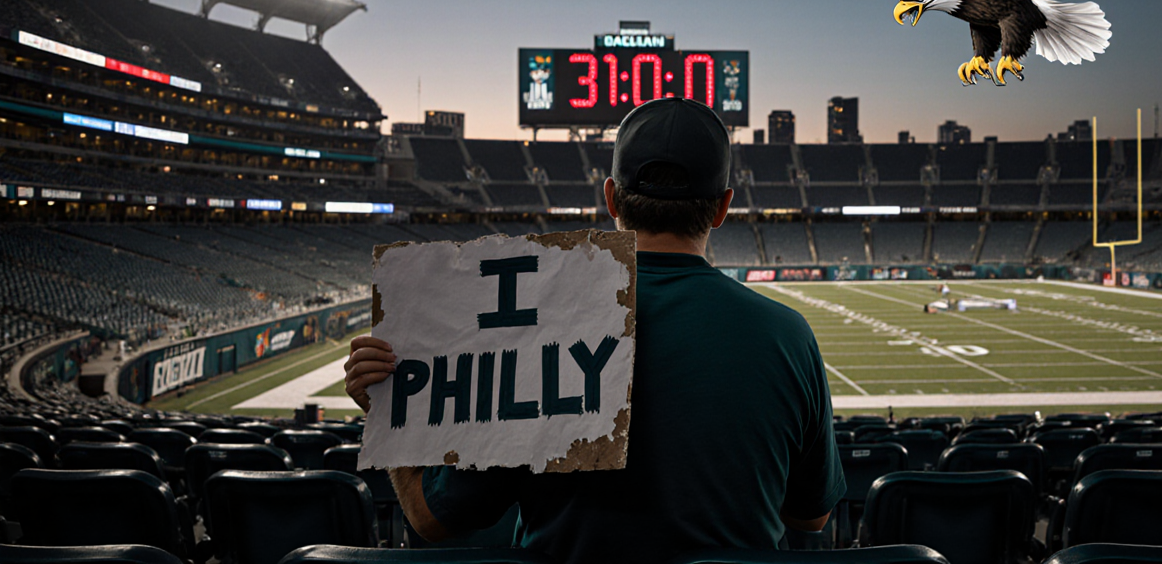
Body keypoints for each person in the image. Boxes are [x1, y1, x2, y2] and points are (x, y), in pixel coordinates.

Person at [345, 97, 844, 564]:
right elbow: (810, 515)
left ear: (611, 196)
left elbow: (433, 521)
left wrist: (393, 415)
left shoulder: (528, 327)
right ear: (722, 206)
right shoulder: (789, 336)